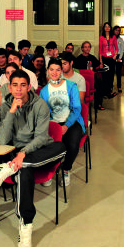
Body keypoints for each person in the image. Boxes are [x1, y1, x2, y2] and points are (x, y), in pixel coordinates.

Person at [0, 69, 67, 247]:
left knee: (61, 147)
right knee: (24, 173)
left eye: (23, 85)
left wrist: (24, 153)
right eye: (15, 85)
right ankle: (25, 224)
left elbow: (41, 137)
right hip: (15, 152)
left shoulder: (40, 105)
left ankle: (10, 167)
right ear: (9, 87)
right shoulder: (5, 106)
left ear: (29, 87)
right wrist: (11, 112)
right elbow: (2, 140)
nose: (18, 89)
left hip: (38, 151)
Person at [38, 59, 85, 187]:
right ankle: (50, 170)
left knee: (73, 145)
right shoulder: (44, 91)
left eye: (58, 70)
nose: (54, 72)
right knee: (46, 146)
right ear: (47, 71)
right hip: (53, 124)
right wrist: (54, 126)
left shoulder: (71, 86)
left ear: (61, 71)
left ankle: (66, 169)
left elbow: (77, 108)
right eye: (51, 69)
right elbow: (44, 112)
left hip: (72, 122)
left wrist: (66, 125)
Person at [75, 41, 105, 111]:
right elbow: (76, 71)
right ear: (82, 48)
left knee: (99, 83)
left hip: (92, 78)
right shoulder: (79, 59)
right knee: (97, 80)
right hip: (82, 78)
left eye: (88, 47)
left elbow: (98, 65)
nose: (87, 48)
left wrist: (100, 65)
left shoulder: (92, 57)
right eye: (85, 47)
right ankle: (107, 93)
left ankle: (98, 104)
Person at [98, 22, 118, 99]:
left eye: (108, 26)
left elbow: (116, 48)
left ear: (110, 28)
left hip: (111, 58)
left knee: (111, 75)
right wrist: (101, 60)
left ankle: (110, 91)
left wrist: (115, 55)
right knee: (105, 75)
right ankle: (104, 92)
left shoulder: (113, 37)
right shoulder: (101, 38)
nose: (107, 28)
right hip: (104, 58)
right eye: (105, 26)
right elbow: (100, 50)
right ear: (104, 28)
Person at [113, 25, 124, 93]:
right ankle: (110, 87)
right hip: (112, 56)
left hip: (119, 56)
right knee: (111, 72)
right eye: (116, 30)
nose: (117, 31)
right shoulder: (111, 39)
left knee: (118, 72)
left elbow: (122, 49)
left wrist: (120, 58)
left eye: (118, 30)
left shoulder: (121, 40)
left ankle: (119, 87)